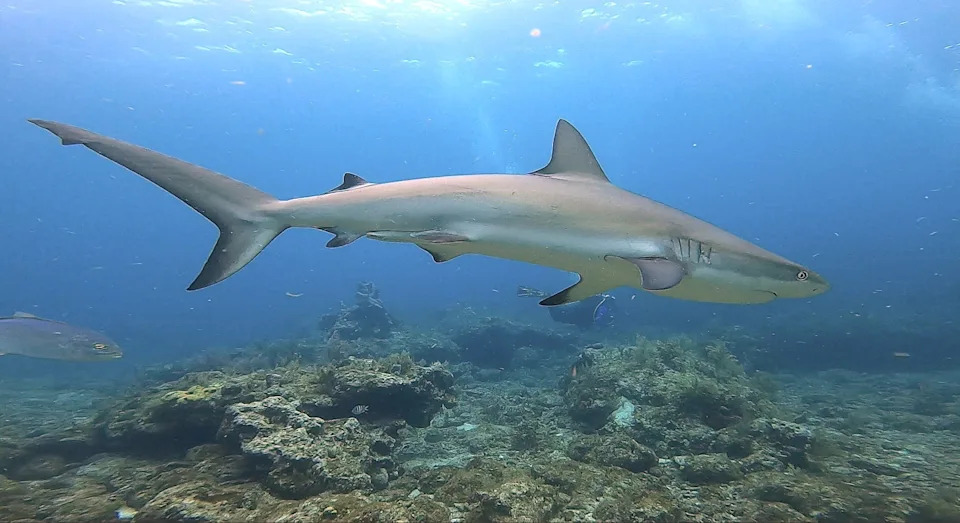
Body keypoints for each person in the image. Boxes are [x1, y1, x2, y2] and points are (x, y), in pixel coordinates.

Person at [517, 286, 617, 329]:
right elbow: (598, 319)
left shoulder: (599, 302)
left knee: (559, 312)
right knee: (558, 313)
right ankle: (545, 296)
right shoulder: (601, 305)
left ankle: (544, 296)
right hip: (571, 312)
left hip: (573, 312)